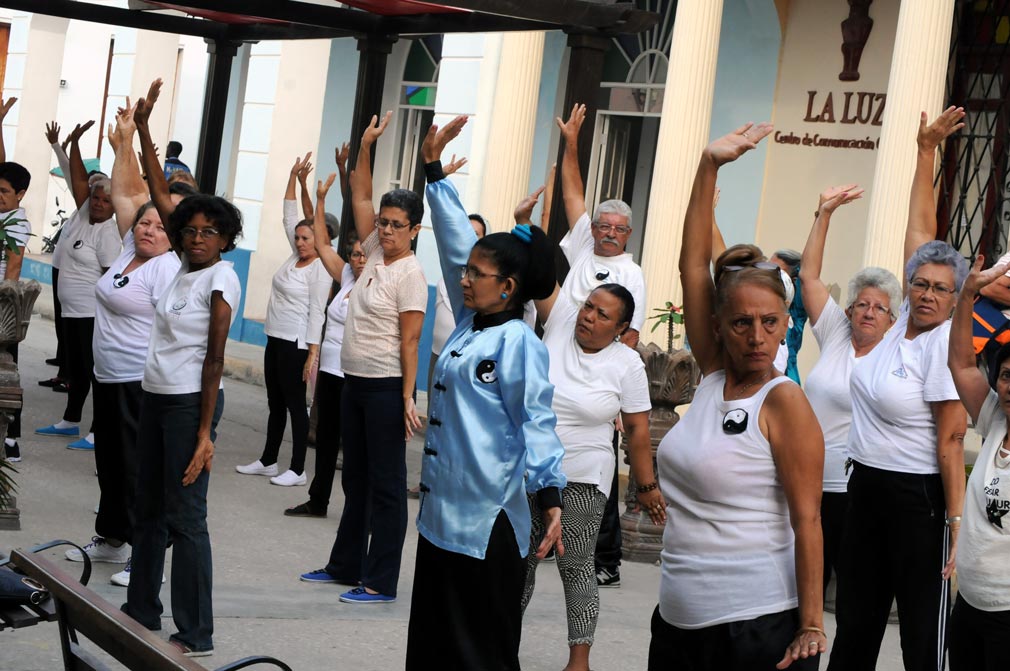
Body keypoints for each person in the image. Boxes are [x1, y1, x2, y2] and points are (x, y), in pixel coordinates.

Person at [649, 122, 825, 671]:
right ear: (719, 326)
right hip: (678, 622)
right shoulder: (710, 376)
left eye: (770, 323)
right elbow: (690, 265)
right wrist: (708, 166)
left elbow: (808, 520)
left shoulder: (782, 401)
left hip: (754, 626)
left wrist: (812, 624)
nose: (757, 336)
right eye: (742, 322)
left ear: (784, 325)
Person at [405, 114, 565, 671]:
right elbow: (454, 241)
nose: (465, 279)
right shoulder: (470, 325)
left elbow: (538, 423)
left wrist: (549, 498)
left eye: (478, 273)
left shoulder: (519, 342)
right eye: (467, 272)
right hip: (439, 516)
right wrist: (432, 171)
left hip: (487, 522)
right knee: (433, 641)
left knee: (481, 649)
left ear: (509, 286)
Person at [827, 106, 969, 671]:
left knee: (920, 634)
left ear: (958, 297)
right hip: (865, 488)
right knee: (855, 624)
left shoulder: (945, 345)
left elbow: (952, 441)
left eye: (942, 288)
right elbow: (920, 233)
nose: (929, 294)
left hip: (919, 500)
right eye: (922, 284)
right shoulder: (901, 322)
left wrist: (955, 526)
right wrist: (924, 151)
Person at [520, 179, 656, 671]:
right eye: (588, 307)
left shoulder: (627, 365)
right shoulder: (558, 322)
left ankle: (579, 659)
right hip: (531, 468)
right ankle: (500, 646)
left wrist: (646, 486)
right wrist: (524, 224)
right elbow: (538, 275)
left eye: (602, 315)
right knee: (520, 564)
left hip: (582, 475)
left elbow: (638, 432)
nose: (588, 317)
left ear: (622, 329)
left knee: (576, 564)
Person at [298, 111, 427, 604]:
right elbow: (361, 195)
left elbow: (411, 342)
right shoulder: (373, 252)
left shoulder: (410, 274)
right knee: (354, 478)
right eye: (385, 223)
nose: (387, 230)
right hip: (353, 381)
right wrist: (367, 146)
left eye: (397, 225)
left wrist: (407, 397)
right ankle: (344, 564)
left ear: (414, 229)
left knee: (387, 486)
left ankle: (380, 579)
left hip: (384, 387)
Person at [65, 101, 181, 577]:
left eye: (159, 226)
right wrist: (122, 143)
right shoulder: (131, 248)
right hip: (108, 375)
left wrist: (137, 145)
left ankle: (143, 550)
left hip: (139, 379)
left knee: (137, 468)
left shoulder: (168, 267)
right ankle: (111, 537)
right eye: (145, 223)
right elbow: (126, 195)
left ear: (174, 235)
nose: (149, 229)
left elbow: (139, 193)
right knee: (110, 463)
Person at [553, 103, 648, 587]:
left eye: (616, 229)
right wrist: (572, 142)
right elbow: (573, 194)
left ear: (628, 234)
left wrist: (615, 388)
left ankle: (600, 557)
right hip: (555, 375)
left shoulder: (631, 273)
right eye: (602, 226)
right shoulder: (580, 250)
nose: (607, 233)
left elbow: (629, 338)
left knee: (595, 478)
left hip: (596, 392)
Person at [798, 183, 902, 596]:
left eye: (879, 308)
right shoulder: (836, 335)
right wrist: (824, 214)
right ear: (849, 310)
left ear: (892, 320)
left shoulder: (894, 355)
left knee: (852, 591)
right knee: (798, 585)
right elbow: (809, 275)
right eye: (862, 304)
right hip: (804, 479)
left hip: (853, 489)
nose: (869, 312)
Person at [236, 154, 330, 487]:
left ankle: (298, 468)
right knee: (274, 402)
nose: (301, 242)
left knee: (294, 405)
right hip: (275, 337)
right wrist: (292, 176)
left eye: (307, 239)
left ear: (320, 240)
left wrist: (311, 355)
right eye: (299, 238)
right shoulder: (295, 257)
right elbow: (289, 213)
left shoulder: (320, 268)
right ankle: (268, 460)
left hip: (296, 343)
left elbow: (318, 312)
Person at [35, 119, 121, 450]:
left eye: (105, 201)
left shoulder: (109, 234)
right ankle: (71, 421)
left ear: (115, 206)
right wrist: (71, 144)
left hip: (91, 313)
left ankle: (99, 430)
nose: (98, 203)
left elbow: (113, 279)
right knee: (76, 371)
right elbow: (78, 180)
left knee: (94, 372)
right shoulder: (83, 213)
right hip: (71, 311)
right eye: (96, 198)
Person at [285, 172, 366, 518]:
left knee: (356, 446)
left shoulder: (378, 284)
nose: (359, 259)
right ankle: (318, 500)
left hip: (356, 373)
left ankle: (358, 509)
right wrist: (319, 199)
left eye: (365, 255)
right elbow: (322, 243)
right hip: (331, 372)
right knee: (325, 439)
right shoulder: (347, 276)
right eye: (356, 254)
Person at [946, 254, 1010, 671]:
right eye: (1006, 376)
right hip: (969, 601)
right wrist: (967, 294)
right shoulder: (994, 420)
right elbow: (961, 362)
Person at [0, 97, 32, 464]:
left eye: (5, 192)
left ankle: (11, 440)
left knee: (7, 373)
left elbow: (15, 263)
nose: (0, 196)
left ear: (20, 195)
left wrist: (3, 302)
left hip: (3, 312)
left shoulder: (16, 222)